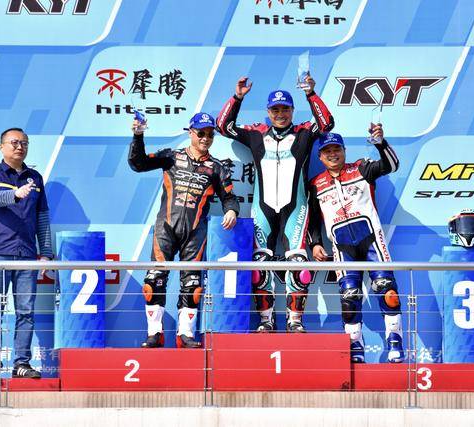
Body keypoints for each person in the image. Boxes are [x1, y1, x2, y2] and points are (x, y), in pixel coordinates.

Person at [216, 75, 334, 332]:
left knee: (299, 265)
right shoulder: (256, 134)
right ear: (268, 112)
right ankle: (266, 321)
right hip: (263, 208)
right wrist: (237, 97)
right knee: (259, 266)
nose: (280, 114)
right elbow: (223, 126)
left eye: (285, 109)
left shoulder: (304, 133)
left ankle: (295, 321)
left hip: (296, 207)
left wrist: (311, 94)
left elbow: (326, 123)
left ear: (292, 110)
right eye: (275, 110)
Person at [128, 112, 239, 348]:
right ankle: (154, 333)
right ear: (190, 133)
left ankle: (185, 334)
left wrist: (231, 211)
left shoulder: (217, 168)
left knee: (192, 285)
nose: (205, 138)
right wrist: (138, 136)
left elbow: (229, 197)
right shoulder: (171, 157)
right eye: (201, 133)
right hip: (165, 228)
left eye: (210, 134)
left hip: (195, 232)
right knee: (153, 281)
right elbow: (138, 164)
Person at [308, 129, 404, 363]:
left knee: (387, 291)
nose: (332, 154)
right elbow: (313, 218)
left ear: (344, 151)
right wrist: (315, 243)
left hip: (372, 240)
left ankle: (395, 342)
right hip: (342, 248)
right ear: (320, 156)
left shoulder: (361, 168)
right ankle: (355, 346)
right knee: (349, 298)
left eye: (336, 149)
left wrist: (381, 143)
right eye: (327, 151)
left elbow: (392, 165)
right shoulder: (316, 184)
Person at [0, 127, 52, 379]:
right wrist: (15, 194)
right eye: (14, 142)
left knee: (25, 311)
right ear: (2, 147)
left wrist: (46, 253)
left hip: (27, 255)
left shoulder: (35, 178)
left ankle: (21, 363)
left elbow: (42, 216)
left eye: (24, 143)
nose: (20, 147)